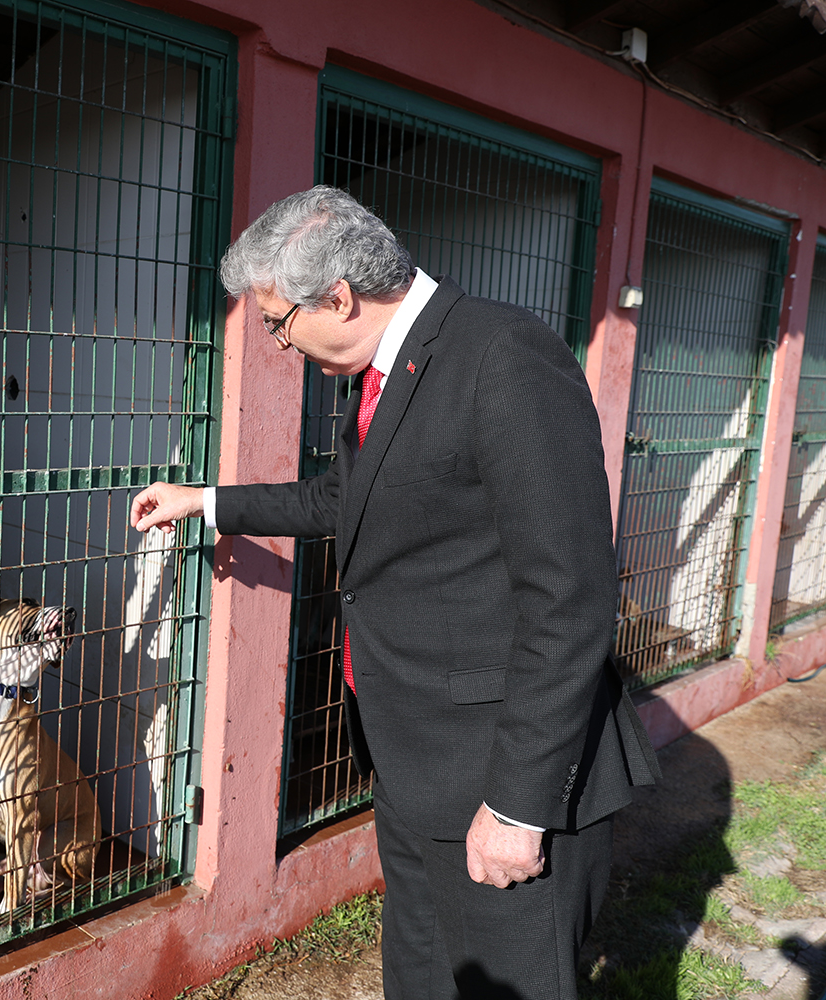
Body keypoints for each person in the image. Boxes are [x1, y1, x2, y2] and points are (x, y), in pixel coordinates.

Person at [129, 186, 658, 999]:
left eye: (278, 323)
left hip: (501, 782)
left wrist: (518, 808)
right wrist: (207, 501)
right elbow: (343, 499)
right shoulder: (390, 375)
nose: (279, 343)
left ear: (337, 298)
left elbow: (572, 596)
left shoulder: (503, 356)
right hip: (416, 768)